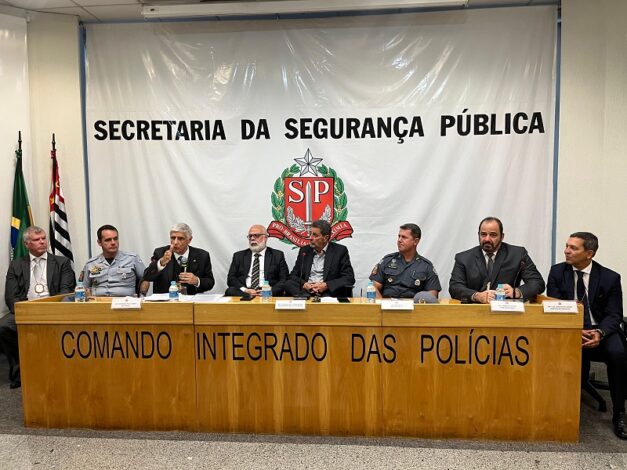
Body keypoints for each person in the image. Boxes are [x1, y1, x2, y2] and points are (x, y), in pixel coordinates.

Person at [547, 232, 627, 440]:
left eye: (573, 248)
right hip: (570, 328)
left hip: (600, 329)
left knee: (618, 354)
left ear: (589, 253)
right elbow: (553, 305)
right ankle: (552, 408)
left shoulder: (610, 278)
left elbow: (614, 314)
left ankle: (619, 413)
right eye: (567, 246)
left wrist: (599, 332)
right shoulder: (557, 272)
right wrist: (573, 327)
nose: (566, 251)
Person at [1, 226, 75, 388]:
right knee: (4, 326)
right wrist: (26, 312)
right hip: (26, 308)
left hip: (54, 309)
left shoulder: (62, 262)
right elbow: (11, 296)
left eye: (43, 238)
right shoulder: (16, 265)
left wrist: (47, 310)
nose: (42, 242)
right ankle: (20, 372)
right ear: (27, 244)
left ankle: (61, 370)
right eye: (36, 240)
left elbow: (66, 291)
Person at [449, 216, 545, 303]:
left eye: (493, 235)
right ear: (478, 235)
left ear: (502, 237)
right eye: (483, 234)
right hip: (473, 312)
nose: (487, 239)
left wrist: (516, 292)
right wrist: (476, 296)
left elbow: (537, 283)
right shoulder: (464, 258)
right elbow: (454, 287)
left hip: (507, 311)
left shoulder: (518, 254)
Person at [370, 223, 441, 302]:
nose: (399, 240)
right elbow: (373, 287)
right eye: (399, 236)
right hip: (387, 306)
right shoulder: (387, 261)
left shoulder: (426, 266)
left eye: (404, 237)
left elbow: (432, 295)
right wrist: (382, 304)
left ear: (416, 241)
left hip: (413, 308)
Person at [284, 219, 355, 298]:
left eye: (315, 235)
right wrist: (304, 284)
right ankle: (310, 295)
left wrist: (326, 285)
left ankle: (312, 297)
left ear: (325, 238)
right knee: (288, 284)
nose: (311, 238)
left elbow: (349, 278)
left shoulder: (340, 251)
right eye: (310, 234)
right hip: (307, 289)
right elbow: (293, 275)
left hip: (326, 290)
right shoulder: (305, 251)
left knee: (331, 293)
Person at [142, 223, 214, 294]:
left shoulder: (202, 255)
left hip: (191, 299)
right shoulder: (160, 253)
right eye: (173, 238)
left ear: (189, 239)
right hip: (166, 300)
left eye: (180, 238)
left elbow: (210, 282)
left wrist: (197, 281)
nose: (175, 242)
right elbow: (147, 277)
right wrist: (161, 262)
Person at [80, 225, 145, 297]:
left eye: (115, 239)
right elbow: (83, 287)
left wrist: (142, 297)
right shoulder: (91, 264)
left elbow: (145, 279)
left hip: (125, 301)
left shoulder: (132, 259)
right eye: (108, 240)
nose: (113, 242)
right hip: (98, 301)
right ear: (99, 242)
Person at [225, 225, 289, 297]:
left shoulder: (277, 255)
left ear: (265, 238)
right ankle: (249, 296)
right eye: (250, 236)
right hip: (245, 292)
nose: (252, 238)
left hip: (268, 291)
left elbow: (284, 279)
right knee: (230, 290)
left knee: (283, 290)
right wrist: (245, 290)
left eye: (256, 235)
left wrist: (271, 290)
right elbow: (231, 279)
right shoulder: (239, 256)